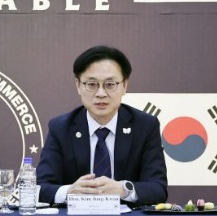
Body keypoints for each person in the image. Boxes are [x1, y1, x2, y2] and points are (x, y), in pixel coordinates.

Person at [36, 45, 167, 207]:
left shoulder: (145, 126)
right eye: (92, 84)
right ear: (78, 85)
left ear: (124, 86)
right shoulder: (61, 128)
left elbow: (158, 189)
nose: (101, 93)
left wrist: (123, 189)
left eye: (110, 84)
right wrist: (69, 191)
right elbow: (39, 188)